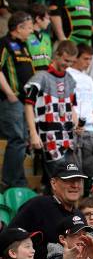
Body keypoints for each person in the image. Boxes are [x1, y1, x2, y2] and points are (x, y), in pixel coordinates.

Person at [9, 162, 87, 259]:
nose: (75, 185)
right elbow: (9, 237)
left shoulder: (79, 215)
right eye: (68, 180)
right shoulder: (37, 205)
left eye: (78, 180)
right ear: (53, 183)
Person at [24, 40, 80, 175]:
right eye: (66, 60)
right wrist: (33, 134)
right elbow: (28, 106)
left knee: (69, 179)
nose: (68, 65)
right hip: (49, 138)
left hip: (68, 139)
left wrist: (77, 124)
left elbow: (72, 107)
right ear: (57, 55)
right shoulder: (40, 77)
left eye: (71, 62)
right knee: (59, 180)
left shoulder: (71, 80)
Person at [0, 10, 34, 189]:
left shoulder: (24, 46)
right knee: (17, 139)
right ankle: (10, 181)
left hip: (25, 102)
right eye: (28, 27)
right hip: (12, 101)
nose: (31, 31)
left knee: (22, 141)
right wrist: (10, 93)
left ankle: (18, 180)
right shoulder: (4, 43)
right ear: (18, 27)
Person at [67, 43, 93, 179]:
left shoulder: (89, 79)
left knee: (92, 173)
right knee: (75, 173)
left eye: (90, 59)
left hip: (91, 131)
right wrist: (76, 125)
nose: (88, 63)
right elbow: (68, 103)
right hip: (76, 130)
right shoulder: (67, 74)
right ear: (76, 58)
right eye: (85, 59)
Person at [26, 4, 52, 71]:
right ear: (38, 19)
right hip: (31, 77)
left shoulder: (47, 38)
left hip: (45, 77)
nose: (49, 21)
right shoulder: (26, 37)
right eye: (47, 18)